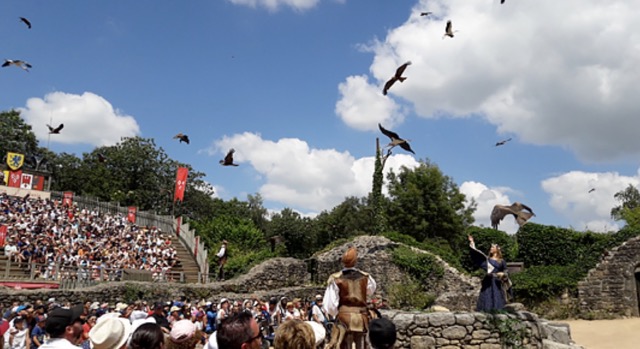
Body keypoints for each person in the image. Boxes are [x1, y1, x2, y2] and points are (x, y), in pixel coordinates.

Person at [323, 247, 376, 349]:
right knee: (362, 345)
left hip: (344, 318)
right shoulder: (366, 277)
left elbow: (330, 305)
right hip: (361, 317)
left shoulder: (336, 279)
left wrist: (336, 313)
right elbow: (371, 290)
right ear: (356, 261)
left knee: (342, 345)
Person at [468, 235, 511, 312]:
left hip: (497, 282)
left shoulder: (501, 261)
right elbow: (477, 254)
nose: (490, 249)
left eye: (492, 247)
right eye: (490, 247)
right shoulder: (487, 260)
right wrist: (472, 242)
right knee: (486, 297)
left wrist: (503, 274)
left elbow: (506, 271)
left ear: (497, 250)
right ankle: (485, 313)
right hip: (488, 281)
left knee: (497, 297)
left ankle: (498, 313)